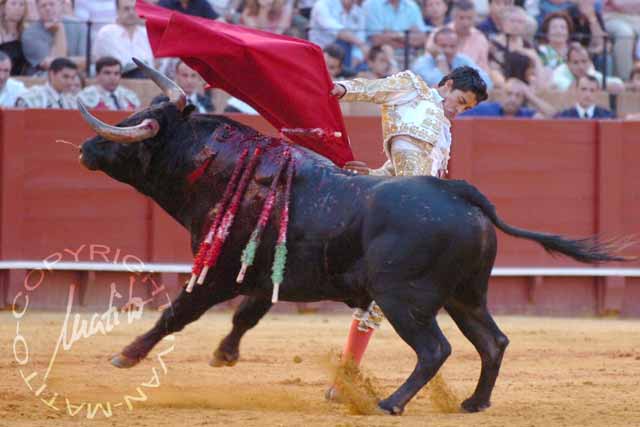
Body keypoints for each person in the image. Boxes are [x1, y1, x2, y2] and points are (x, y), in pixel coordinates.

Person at [325, 67, 487, 395]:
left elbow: (396, 171)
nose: (458, 110)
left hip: (413, 214)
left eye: (466, 108)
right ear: (449, 84)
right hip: (402, 211)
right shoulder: (412, 87)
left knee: (380, 302)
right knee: (382, 295)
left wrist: (371, 174)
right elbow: (374, 89)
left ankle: (343, 378)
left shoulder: (445, 132)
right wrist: (341, 89)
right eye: (460, 100)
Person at [20, 0, 87, 75]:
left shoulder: (78, 25)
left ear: (61, 5)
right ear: (38, 9)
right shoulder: (30, 34)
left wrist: (60, 26)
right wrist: (59, 31)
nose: (48, 8)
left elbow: (86, 61)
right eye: (43, 6)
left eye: (52, 4)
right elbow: (56, 67)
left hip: (77, 73)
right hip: (45, 78)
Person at [414, 27, 492, 88]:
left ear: (458, 46)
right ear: (434, 45)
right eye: (443, 46)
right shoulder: (422, 63)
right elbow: (438, 86)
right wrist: (441, 60)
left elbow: (486, 82)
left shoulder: (463, 60)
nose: (448, 50)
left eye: (452, 46)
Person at [93, 0, 154, 78]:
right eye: (126, 9)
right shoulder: (107, 33)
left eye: (134, 8)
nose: (131, 12)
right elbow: (108, 65)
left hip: (147, 81)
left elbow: (152, 64)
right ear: (117, 10)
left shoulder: (146, 33)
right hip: (117, 80)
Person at [309, 0, 367, 69]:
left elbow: (361, 38)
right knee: (343, 42)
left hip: (349, 58)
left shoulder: (359, 11)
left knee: (364, 67)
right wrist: (360, 43)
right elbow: (336, 31)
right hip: (322, 54)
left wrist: (355, 60)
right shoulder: (322, 4)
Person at [461, 77, 555, 117]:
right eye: (509, 94)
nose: (513, 99)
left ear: (523, 100)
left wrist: (531, 96)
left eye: (518, 96)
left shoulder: (527, 115)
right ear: (501, 95)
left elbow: (553, 116)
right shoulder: (483, 110)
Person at [552, 42, 624, 92]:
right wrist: (594, 85)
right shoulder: (560, 72)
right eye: (575, 62)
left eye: (584, 61)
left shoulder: (590, 72)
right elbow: (569, 90)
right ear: (568, 64)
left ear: (590, 63)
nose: (581, 66)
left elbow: (618, 84)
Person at [602, 0, 640, 79]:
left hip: (636, 17)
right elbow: (618, 3)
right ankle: (625, 78)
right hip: (613, 16)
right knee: (625, 34)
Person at [0, 0, 28, 75]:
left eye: (21, 4)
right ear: (3, 7)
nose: (18, 8)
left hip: (22, 80)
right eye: (13, 3)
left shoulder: (27, 33)